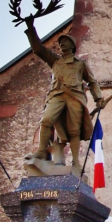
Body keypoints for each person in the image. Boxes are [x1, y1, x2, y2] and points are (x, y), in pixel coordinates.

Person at [23, 21, 103, 169]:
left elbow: (92, 81)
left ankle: (75, 162)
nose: (62, 45)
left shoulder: (80, 64)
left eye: (65, 42)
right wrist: (30, 28)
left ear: (72, 46)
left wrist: (98, 98)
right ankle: (41, 151)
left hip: (75, 97)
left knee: (74, 130)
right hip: (57, 95)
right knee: (46, 120)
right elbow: (38, 49)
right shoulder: (55, 61)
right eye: (61, 43)